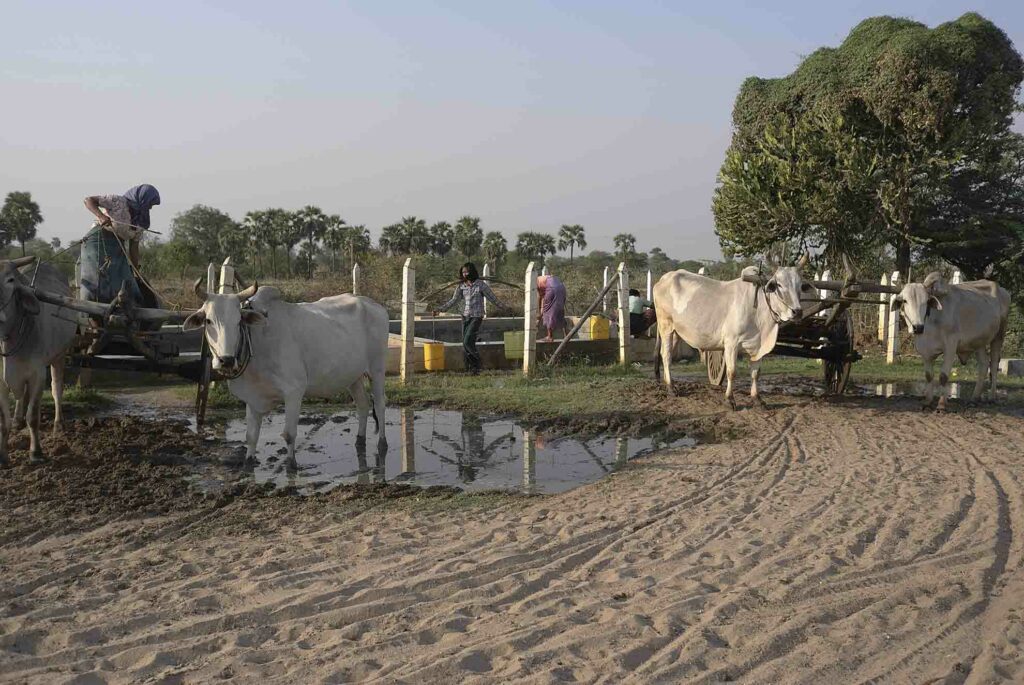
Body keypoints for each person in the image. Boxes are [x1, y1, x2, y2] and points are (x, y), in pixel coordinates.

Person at [80, 184, 161, 304]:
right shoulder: (118, 201)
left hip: (118, 249)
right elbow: (88, 200)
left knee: (129, 286)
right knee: (96, 284)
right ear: (142, 198)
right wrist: (101, 217)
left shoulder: (142, 221)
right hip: (97, 242)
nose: (150, 208)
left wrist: (135, 269)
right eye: (150, 203)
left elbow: (134, 247)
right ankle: (90, 311)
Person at [435, 262, 508, 374]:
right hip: (465, 316)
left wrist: (505, 308)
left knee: (467, 340)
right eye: (463, 272)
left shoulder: (481, 285)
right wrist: (440, 309)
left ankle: (478, 363)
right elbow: (453, 300)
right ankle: (472, 368)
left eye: (467, 272)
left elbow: (493, 298)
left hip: (476, 316)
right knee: (466, 344)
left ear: (472, 272)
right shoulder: (461, 286)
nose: (465, 274)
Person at [536, 273, 568, 342]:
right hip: (562, 287)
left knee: (548, 310)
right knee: (560, 310)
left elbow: (540, 298)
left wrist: (539, 314)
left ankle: (549, 336)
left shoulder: (536, 282)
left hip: (552, 287)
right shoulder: (542, 279)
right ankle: (567, 335)